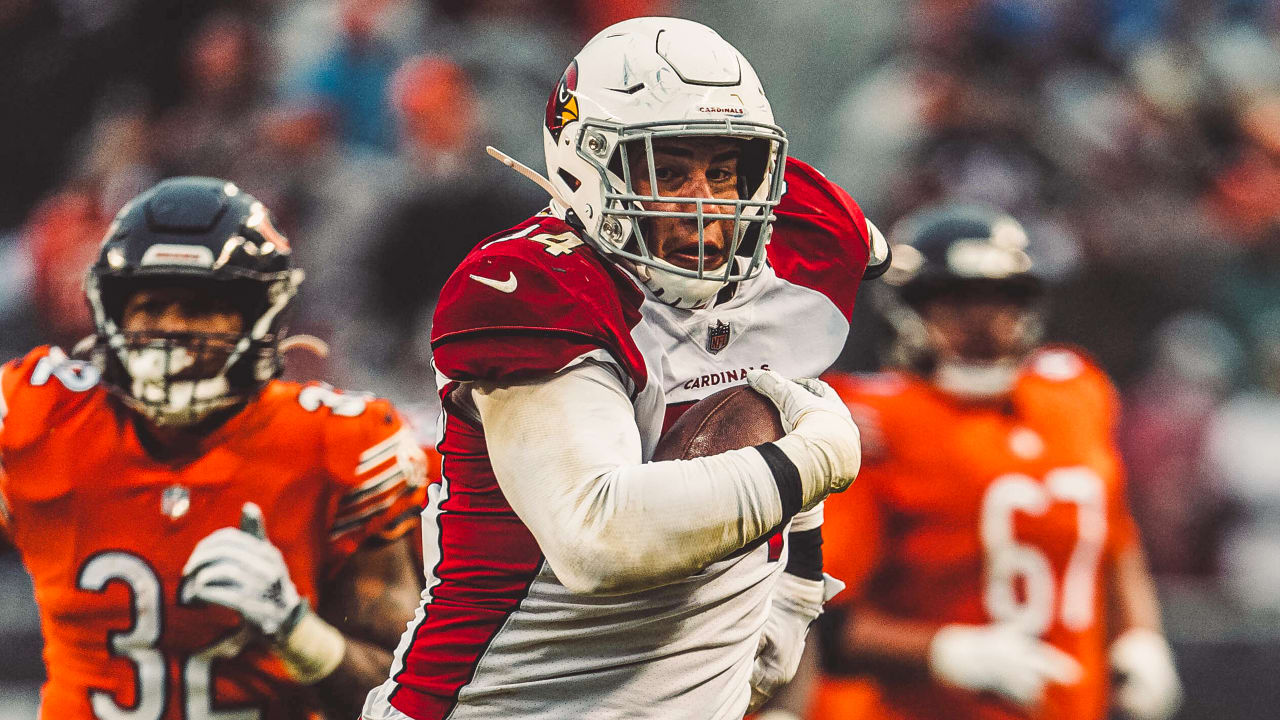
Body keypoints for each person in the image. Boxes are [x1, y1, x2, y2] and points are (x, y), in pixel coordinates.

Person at [361, 16, 882, 720]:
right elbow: (598, 539)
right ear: (586, 167)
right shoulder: (533, 287)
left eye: (723, 170)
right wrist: (810, 465)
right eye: (668, 171)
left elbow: (782, 394)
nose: (706, 202)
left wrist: (795, 578)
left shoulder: (801, 251)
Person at [0, 177, 428, 719]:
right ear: (112, 313)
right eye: (152, 306)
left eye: (202, 307)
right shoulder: (40, 417)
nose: (174, 330)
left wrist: (298, 633)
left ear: (260, 317)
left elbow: (407, 693)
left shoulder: (339, 442)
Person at [811, 204, 1183, 720]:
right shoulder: (872, 420)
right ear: (907, 310)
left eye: (1002, 300)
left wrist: (1141, 636)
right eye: (956, 301)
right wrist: (941, 652)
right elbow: (815, 618)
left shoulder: (1075, 390)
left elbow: (1114, 535)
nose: (983, 323)